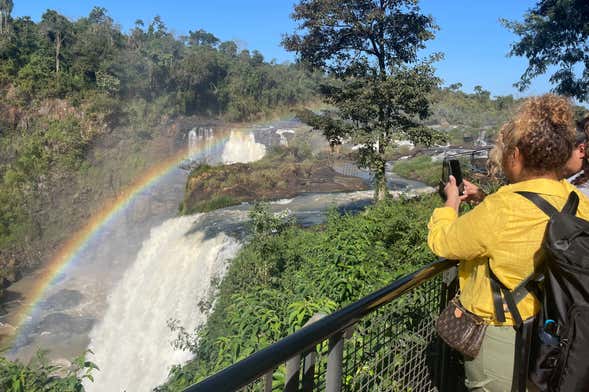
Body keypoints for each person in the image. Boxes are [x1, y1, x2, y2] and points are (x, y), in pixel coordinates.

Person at [428, 94, 589, 392]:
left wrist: (450, 204)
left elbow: (443, 242)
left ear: (516, 156)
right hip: (555, 331)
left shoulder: (503, 207)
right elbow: (532, 225)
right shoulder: (576, 199)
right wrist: (483, 200)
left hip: (504, 336)